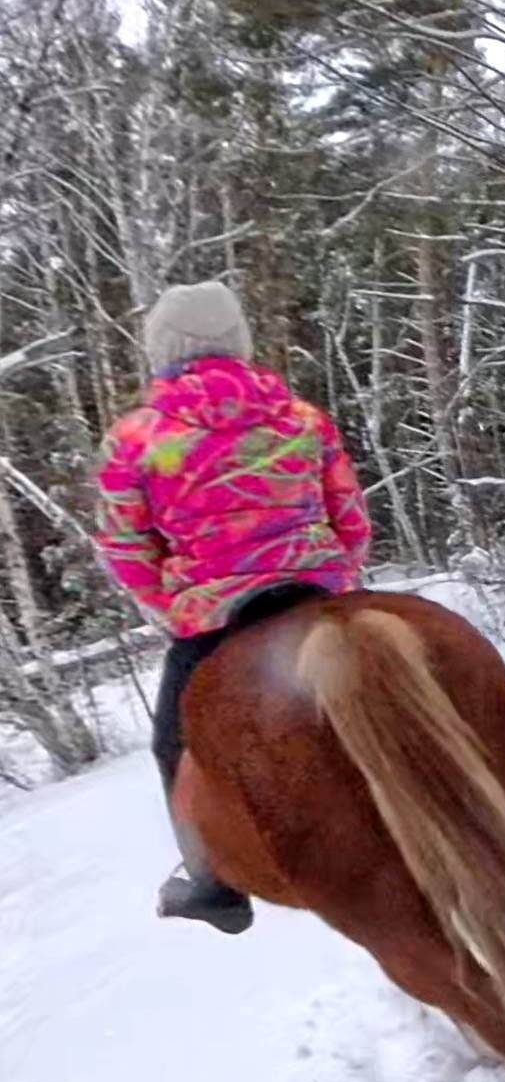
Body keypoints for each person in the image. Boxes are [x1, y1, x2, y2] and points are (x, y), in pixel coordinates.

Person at [94, 281, 371, 933]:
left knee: (172, 744)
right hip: (318, 596)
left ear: (163, 349)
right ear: (239, 344)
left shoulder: (138, 437)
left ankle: (213, 884)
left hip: (220, 617)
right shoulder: (302, 418)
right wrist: (334, 575)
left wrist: (179, 605)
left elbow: (124, 547)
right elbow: (351, 515)